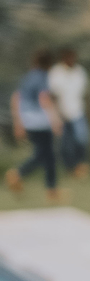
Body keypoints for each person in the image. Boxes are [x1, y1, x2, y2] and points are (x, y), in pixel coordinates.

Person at [7, 48, 63, 199]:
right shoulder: (43, 76)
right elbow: (44, 98)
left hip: (28, 120)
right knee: (43, 154)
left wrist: (18, 122)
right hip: (40, 122)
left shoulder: (28, 77)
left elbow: (16, 98)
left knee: (48, 155)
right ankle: (18, 173)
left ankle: (51, 190)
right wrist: (55, 120)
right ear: (49, 64)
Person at [48, 46, 90, 176]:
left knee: (82, 139)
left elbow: (84, 93)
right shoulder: (56, 72)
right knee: (65, 145)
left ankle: (79, 165)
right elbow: (53, 95)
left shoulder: (80, 72)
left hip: (77, 112)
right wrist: (55, 114)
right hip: (62, 114)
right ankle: (70, 168)